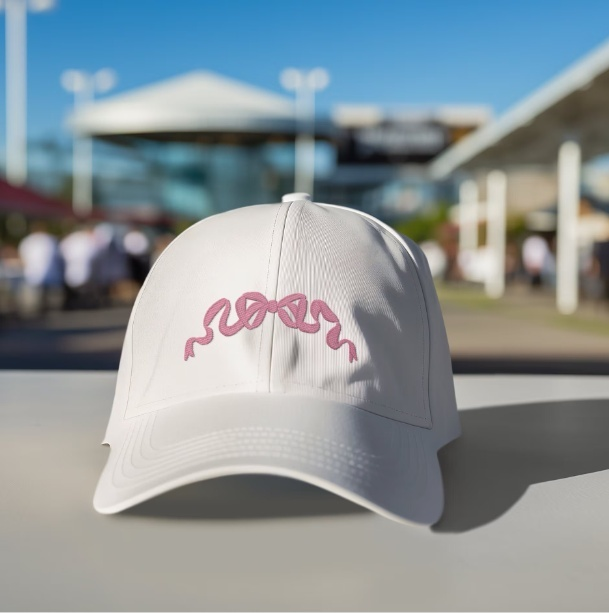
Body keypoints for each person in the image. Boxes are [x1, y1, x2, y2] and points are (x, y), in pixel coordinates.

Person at [17, 221, 64, 315]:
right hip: (51, 276)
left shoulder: (27, 241)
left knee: (36, 301)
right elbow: (59, 257)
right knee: (51, 300)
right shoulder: (50, 240)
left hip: (32, 275)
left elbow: (22, 260)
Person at [59, 224, 99, 309]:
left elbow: (61, 251)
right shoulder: (88, 239)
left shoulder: (71, 238)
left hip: (71, 268)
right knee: (85, 289)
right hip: (84, 268)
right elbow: (95, 254)